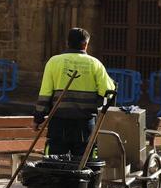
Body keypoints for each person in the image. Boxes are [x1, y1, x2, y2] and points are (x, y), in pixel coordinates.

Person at [34, 27, 116, 158]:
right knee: (82, 165)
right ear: (86, 44)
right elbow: (109, 92)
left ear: (67, 42)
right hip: (84, 124)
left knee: (55, 164)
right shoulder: (95, 64)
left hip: (59, 123)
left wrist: (38, 118)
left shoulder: (53, 62)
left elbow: (45, 94)